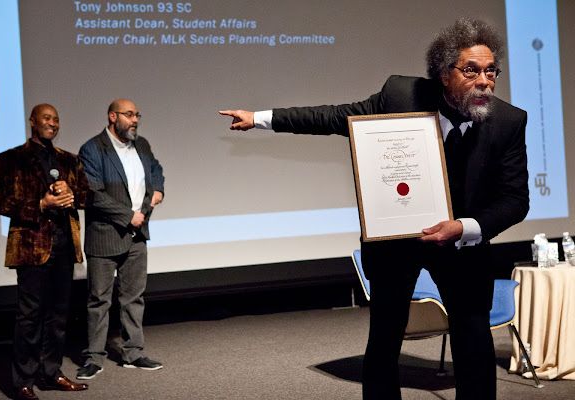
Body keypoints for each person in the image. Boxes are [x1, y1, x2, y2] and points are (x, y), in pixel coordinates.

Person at [220, 18, 529, 400]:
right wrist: (261, 119)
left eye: (490, 71)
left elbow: (515, 200)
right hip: (396, 242)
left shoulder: (509, 121)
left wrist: (464, 227)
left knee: (473, 340)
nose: (484, 80)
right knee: (385, 339)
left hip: (461, 244)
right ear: (444, 74)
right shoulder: (402, 94)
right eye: (471, 70)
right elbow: (335, 117)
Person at [0, 104, 90, 400]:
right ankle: (23, 380)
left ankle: (52, 373)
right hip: (31, 247)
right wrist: (41, 205)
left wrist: (73, 196)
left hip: (63, 246)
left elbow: (86, 195)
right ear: (32, 121)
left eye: (57, 119)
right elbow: (2, 202)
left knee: (58, 316)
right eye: (47, 118)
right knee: (29, 316)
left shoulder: (69, 160)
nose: (53, 123)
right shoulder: (12, 159)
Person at [76, 99, 165, 380]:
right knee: (98, 300)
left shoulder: (142, 145)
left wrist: (159, 189)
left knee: (133, 298)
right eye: (129, 115)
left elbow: (156, 169)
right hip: (105, 235)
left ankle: (133, 353)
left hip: (137, 236)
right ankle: (94, 357)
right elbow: (92, 193)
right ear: (112, 117)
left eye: (137, 114)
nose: (135, 120)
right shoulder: (93, 149)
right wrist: (128, 215)